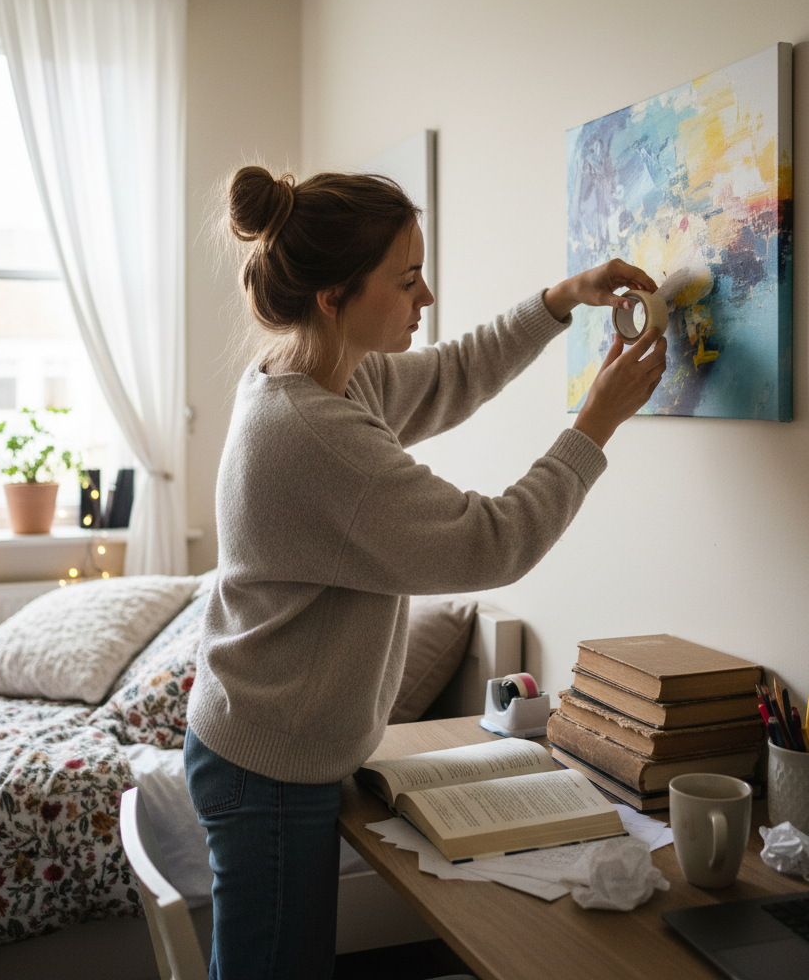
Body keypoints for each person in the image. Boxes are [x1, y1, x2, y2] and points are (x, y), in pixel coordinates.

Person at [185, 166, 667, 980]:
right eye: (407, 279)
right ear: (335, 295)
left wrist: (560, 300)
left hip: (262, 746)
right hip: (268, 771)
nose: (427, 295)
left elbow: (452, 375)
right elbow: (492, 542)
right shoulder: (315, 435)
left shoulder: (310, 376)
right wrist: (596, 422)